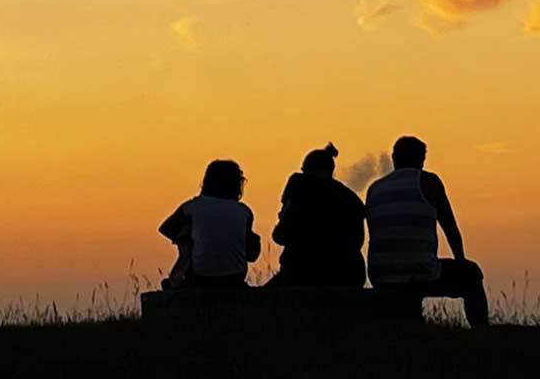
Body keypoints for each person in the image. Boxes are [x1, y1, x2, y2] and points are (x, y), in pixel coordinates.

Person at [364, 135, 488, 326]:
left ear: (394, 158)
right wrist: (460, 260)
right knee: (471, 274)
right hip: (418, 272)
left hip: (380, 274)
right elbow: (451, 229)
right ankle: (482, 333)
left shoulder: (374, 188)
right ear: (421, 159)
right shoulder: (429, 182)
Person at [268, 142, 365, 287]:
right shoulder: (351, 198)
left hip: (307, 274)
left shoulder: (301, 187)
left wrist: (284, 215)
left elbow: (280, 236)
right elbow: (358, 241)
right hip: (350, 276)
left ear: (306, 169)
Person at [159, 159, 262, 289]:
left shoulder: (192, 207)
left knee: (189, 236)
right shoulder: (244, 211)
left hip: (201, 278)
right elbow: (251, 255)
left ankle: (177, 281)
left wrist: (185, 242)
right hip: (235, 278)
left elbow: (166, 228)